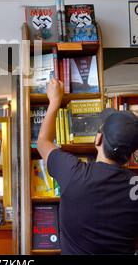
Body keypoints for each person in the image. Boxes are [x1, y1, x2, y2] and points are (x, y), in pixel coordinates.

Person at [37, 78, 138, 254]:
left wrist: (54, 101)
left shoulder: (73, 173)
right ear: (131, 154)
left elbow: (43, 142)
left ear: (98, 139)